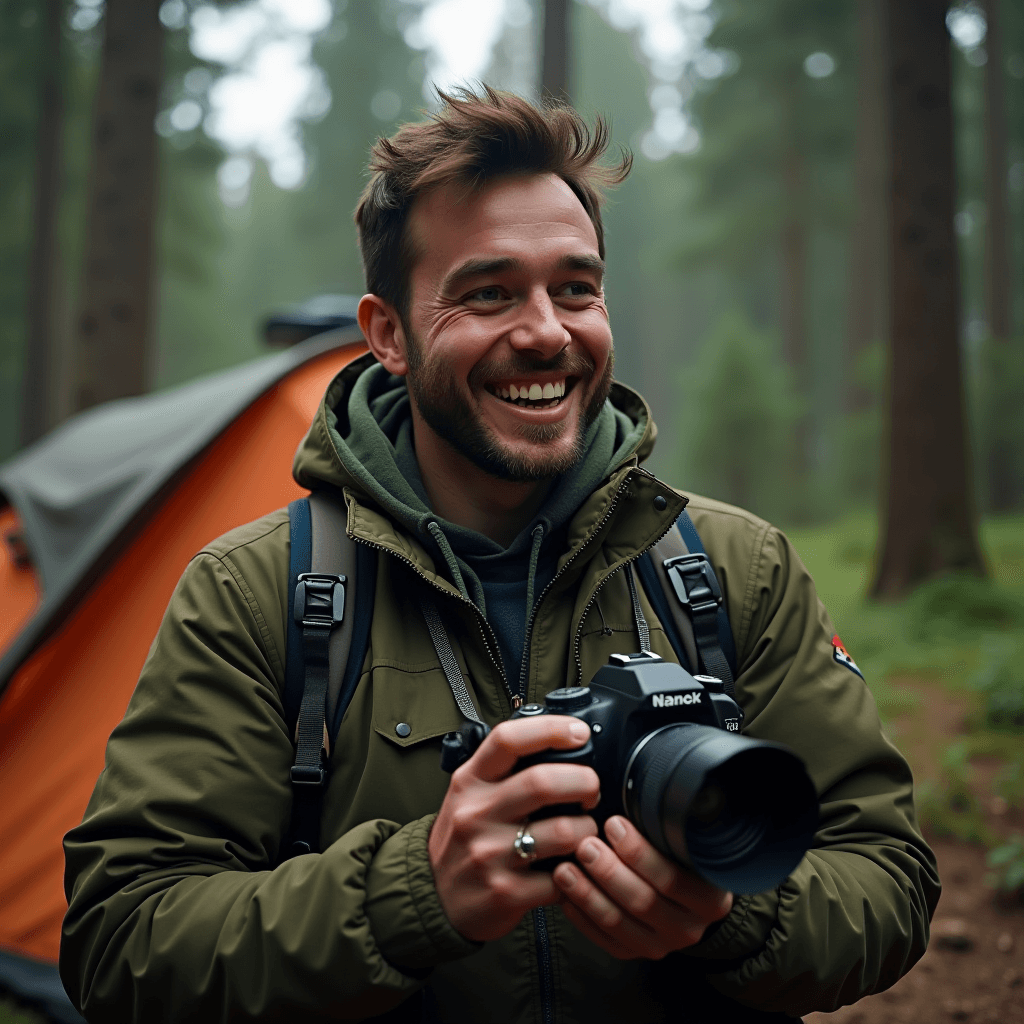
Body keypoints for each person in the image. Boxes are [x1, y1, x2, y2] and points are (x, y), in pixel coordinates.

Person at [61, 88, 939, 1024]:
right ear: (387, 334)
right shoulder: (258, 591)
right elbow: (123, 940)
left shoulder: (730, 568)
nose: (548, 333)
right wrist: (412, 897)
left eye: (576, 288)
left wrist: (731, 913)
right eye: (489, 293)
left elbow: (887, 876)